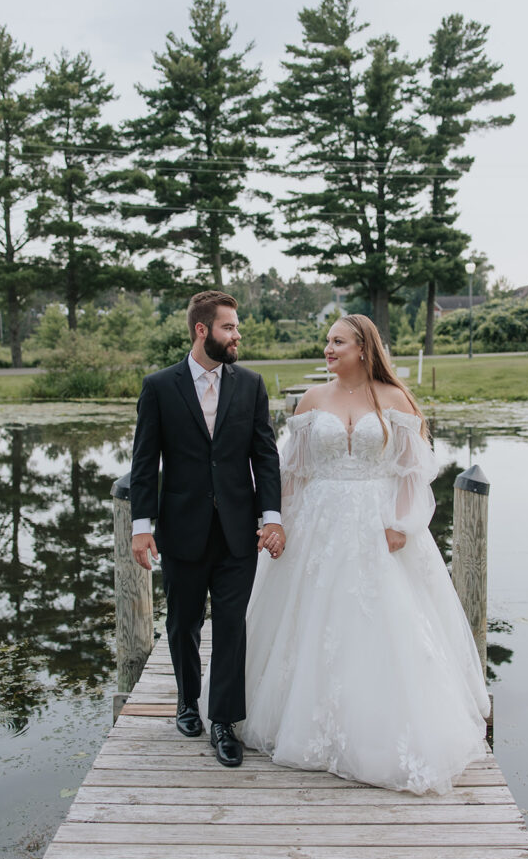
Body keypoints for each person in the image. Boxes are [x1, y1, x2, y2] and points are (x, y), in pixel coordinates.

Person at [204, 313, 490, 793]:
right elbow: (292, 473)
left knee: (382, 618)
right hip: (318, 519)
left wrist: (400, 524)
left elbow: (411, 472)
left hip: (379, 523)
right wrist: (278, 522)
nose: (328, 349)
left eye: (338, 342)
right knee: (311, 615)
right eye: (327, 341)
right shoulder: (313, 400)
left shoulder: (394, 399)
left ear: (363, 347)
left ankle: (379, 724)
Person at [130, 290, 285, 768]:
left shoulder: (251, 385)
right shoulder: (159, 387)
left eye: (236, 327)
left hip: (239, 531)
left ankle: (223, 721)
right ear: (203, 330)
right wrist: (141, 526)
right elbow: (144, 461)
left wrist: (271, 518)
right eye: (229, 327)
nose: (237, 335)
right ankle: (185, 699)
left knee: (233, 627)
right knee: (182, 624)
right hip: (182, 529)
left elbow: (265, 455)